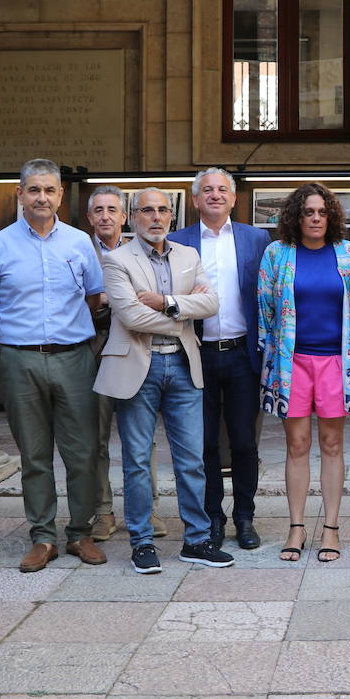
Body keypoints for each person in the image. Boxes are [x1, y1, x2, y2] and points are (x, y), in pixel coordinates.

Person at [0, 158, 107, 573]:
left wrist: (64, 333)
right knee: (33, 454)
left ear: (61, 195)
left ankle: (81, 532)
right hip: (20, 360)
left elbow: (95, 299)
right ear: (20, 194)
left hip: (74, 358)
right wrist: (20, 336)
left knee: (82, 451)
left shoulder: (80, 243)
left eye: (50, 190)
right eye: (34, 190)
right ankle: (42, 536)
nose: (42, 197)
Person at [93, 188, 233, 574]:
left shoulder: (189, 256)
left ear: (171, 216)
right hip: (138, 366)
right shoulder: (117, 259)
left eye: (162, 210)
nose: (156, 217)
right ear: (133, 217)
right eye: (147, 211)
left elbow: (213, 303)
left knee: (192, 459)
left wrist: (167, 302)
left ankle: (197, 540)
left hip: (184, 366)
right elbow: (132, 317)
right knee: (137, 460)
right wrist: (185, 311)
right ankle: (142, 543)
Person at [258, 182, 350, 563]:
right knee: (297, 445)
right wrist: (269, 362)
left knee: (332, 445)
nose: (315, 218)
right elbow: (265, 310)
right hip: (292, 362)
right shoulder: (277, 254)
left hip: (336, 362)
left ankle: (332, 528)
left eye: (322, 212)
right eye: (308, 212)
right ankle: (297, 526)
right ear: (296, 217)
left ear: (331, 215)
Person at [169, 169, 270, 551]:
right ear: (195, 200)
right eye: (206, 190)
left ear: (234, 198)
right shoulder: (178, 242)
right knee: (204, 443)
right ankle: (212, 517)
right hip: (195, 355)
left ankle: (245, 517)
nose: (214, 195)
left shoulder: (255, 238)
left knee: (244, 442)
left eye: (221, 190)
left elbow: (266, 293)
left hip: (243, 354)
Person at [85, 185, 166, 542]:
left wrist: (114, 299)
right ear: (90, 217)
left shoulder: (143, 249)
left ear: (125, 217)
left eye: (112, 210)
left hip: (136, 344)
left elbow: (154, 296)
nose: (105, 216)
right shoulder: (78, 248)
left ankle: (148, 509)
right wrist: (118, 299)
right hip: (92, 346)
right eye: (98, 210)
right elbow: (75, 299)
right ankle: (102, 511)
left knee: (141, 437)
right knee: (96, 436)